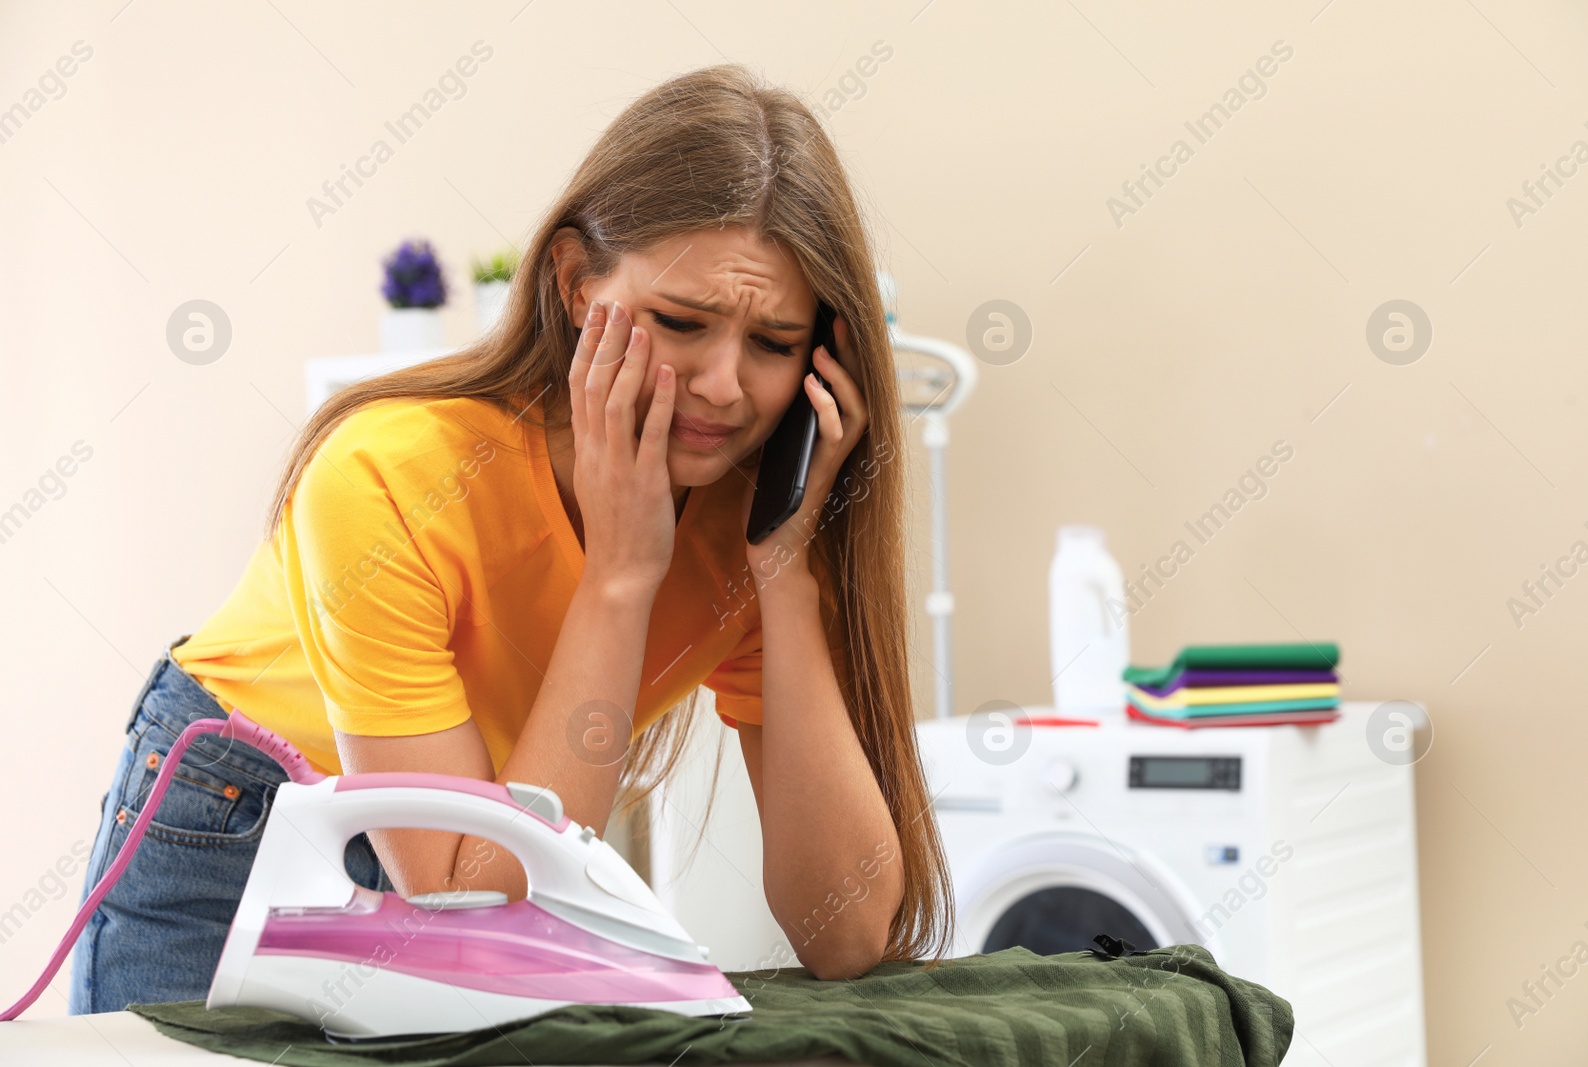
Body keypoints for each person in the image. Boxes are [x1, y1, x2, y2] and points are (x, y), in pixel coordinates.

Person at [68, 62, 953, 1015]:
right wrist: (621, 572)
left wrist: (785, 569)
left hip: (481, 854)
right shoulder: (386, 472)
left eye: (774, 344)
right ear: (576, 284)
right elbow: (466, 904)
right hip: (238, 822)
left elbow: (849, 930)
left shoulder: (748, 526)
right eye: (680, 322)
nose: (724, 386)